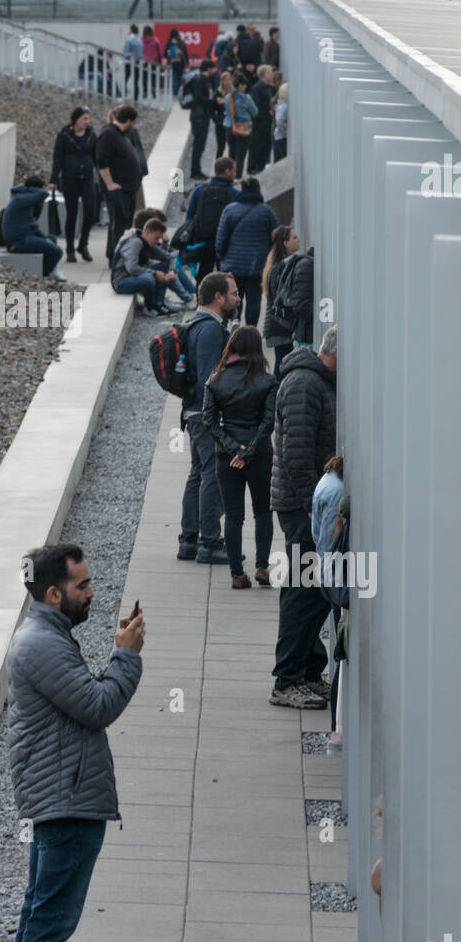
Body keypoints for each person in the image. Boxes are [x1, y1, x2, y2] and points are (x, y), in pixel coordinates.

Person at [8, 544, 144, 942]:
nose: (91, 593)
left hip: (62, 799)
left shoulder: (48, 638)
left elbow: (83, 699)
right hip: (66, 806)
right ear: (53, 594)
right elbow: (99, 706)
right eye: (81, 585)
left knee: (40, 917)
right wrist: (126, 655)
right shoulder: (42, 645)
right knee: (50, 923)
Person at [269, 325, 338, 709]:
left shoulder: (316, 381)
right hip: (303, 506)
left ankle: (309, 671)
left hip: (305, 502)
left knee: (313, 592)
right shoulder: (305, 385)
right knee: (303, 589)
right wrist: (317, 504)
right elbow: (296, 454)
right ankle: (287, 679)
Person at [203, 325, 277, 588]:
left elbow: (209, 422)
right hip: (260, 456)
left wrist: (234, 449)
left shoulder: (215, 380)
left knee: (234, 516)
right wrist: (250, 450)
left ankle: (236, 574)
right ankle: (262, 567)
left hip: (227, 458)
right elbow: (269, 422)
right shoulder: (268, 382)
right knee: (263, 512)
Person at [178, 272, 240, 564]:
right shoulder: (211, 330)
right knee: (211, 475)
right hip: (204, 415)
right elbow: (208, 377)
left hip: (192, 411)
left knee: (197, 474)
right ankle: (210, 543)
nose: (238, 299)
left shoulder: (193, 324)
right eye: (234, 294)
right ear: (218, 297)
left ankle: (189, 541)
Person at [311, 454, 346, 754]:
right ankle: (337, 732)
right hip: (337, 580)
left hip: (330, 574)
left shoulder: (329, 481)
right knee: (343, 657)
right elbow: (330, 542)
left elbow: (319, 536)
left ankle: (338, 729)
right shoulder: (337, 490)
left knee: (340, 657)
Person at [215, 176, 279, 327]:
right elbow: (276, 236)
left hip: (233, 265)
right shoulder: (266, 211)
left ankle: (234, 322)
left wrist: (220, 256)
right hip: (258, 265)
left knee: (234, 296)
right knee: (254, 299)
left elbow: (221, 238)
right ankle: (251, 329)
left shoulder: (230, 210)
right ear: (258, 190)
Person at [51, 106, 97, 263]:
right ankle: (70, 248)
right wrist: (54, 180)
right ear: (76, 119)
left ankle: (83, 244)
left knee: (90, 212)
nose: (87, 122)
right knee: (72, 214)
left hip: (87, 178)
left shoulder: (91, 135)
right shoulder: (64, 135)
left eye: (88, 119)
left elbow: (96, 156)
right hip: (70, 179)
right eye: (84, 119)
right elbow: (57, 158)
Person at [96, 104, 142, 261]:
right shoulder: (108, 134)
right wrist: (110, 184)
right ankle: (117, 259)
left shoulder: (122, 134)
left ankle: (113, 253)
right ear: (128, 120)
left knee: (125, 224)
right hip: (117, 189)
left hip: (128, 187)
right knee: (119, 225)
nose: (135, 125)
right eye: (134, 121)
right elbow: (102, 162)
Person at [184, 156, 239, 284]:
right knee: (226, 278)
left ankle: (202, 301)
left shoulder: (200, 190)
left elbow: (189, 217)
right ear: (227, 172)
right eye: (234, 171)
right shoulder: (234, 193)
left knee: (204, 275)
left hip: (202, 240)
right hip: (226, 243)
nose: (235, 174)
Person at [1, 174, 66, 281]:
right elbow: (44, 194)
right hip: (17, 243)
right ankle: (44, 274)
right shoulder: (21, 199)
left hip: (24, 235)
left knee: (52, 239)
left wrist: (45, 238)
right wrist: (34, 188)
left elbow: (32, 225)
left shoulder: (22, 198)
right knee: (57, 252)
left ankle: (51, 269)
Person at [111, 217, 179, 316]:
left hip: (134, 276)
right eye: (156, 238)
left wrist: (172, 271)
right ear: (147, 232)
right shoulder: (135, 242)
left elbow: (170, 257)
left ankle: (159, 303)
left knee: (164, 266)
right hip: (121, 281)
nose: (157, 241)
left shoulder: (148, 242)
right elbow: (132, 268)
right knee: (149, 278)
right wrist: (155, 273)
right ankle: (149, 307)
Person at [261, 224, 301, 374]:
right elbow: (282, 298)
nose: (299, 240)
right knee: (282, 364)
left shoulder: (277, 265)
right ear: (285, 243)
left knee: (282, 361)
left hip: (278, 324)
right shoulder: (280, 268)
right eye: (294, 238)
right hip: (279, 325)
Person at [223, 71, 258, 179]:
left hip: (230, 127)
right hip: (243, 129)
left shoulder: (228, 97)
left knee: (232, 153)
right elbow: (255, 112)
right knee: (241, 155)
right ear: (241, 86)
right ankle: (237, 176)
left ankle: (229, 175)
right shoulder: (246, 98)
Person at [188, 58, 217, 181]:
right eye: (213, 68)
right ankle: (195, 171)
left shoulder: (204, 80)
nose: (214, 71)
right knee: (198, 144)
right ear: (208, 68)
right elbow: (199, 98)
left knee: (200, 144)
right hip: (199, 116)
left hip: (202, 115)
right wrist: (214, 102)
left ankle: (197, 169)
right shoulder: (200, 81)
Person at [248, 64, 275, 174]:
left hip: (266, 121)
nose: (272, 75)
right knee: (257, 144)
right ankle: (252, 167)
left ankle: (261, 166)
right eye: (270, 73)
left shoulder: (269, 88)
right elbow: (255, 106)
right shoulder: (257, 88)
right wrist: (267, 112)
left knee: (266, 145)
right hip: (259, 122)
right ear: (264, 75)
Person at [164, 27, 189, 98]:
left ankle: (174, 94)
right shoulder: (181, 42)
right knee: (180, 79)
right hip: (180, 63)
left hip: (172, 63)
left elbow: (165, 54)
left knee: (174, 79)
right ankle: (179, 93)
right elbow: (185, 53)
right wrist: (187, 62)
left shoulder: (169, 43)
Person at [140, 25, 163, 99]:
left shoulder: (141, 40)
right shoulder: (156, 41)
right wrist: (160, 61)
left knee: (144, 77)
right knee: (154, 77)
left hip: (144, 61)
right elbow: (159, 53)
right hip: (154, 62)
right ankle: (154, 89)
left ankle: (145, 91)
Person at [123, 23, 143, 99]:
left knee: (125, 80)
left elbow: (126, 52)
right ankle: (135, 98)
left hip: (129, 62)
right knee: (135, 81)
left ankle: (124, 95)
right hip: (137, 63)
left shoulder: (129, 40)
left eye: (129, 29)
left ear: (131, 30)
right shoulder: (139, 40)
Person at [272, 81, 289, 162]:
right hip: (282, 137)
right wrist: (286, 130)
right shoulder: (284, 106)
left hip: (279, 136)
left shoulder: (280, 104)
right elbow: (279, 121)